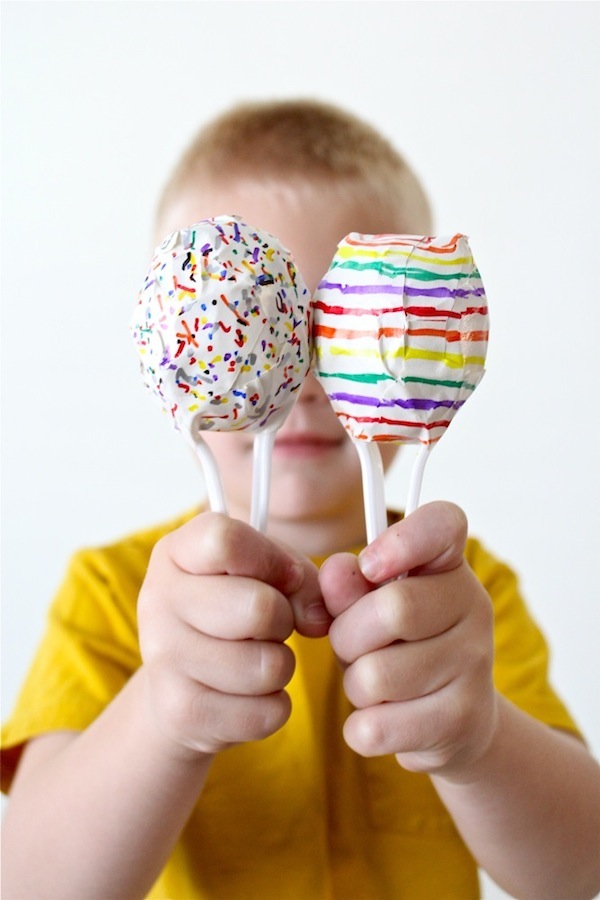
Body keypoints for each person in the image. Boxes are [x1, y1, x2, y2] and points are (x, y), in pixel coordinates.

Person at [2, 99, 599, 900]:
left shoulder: (463, 595)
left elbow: (578, 871)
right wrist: (161, 718)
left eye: (349, 330)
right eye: (261, 325)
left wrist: (477, 739)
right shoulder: (113, 595)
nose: (308, 383)